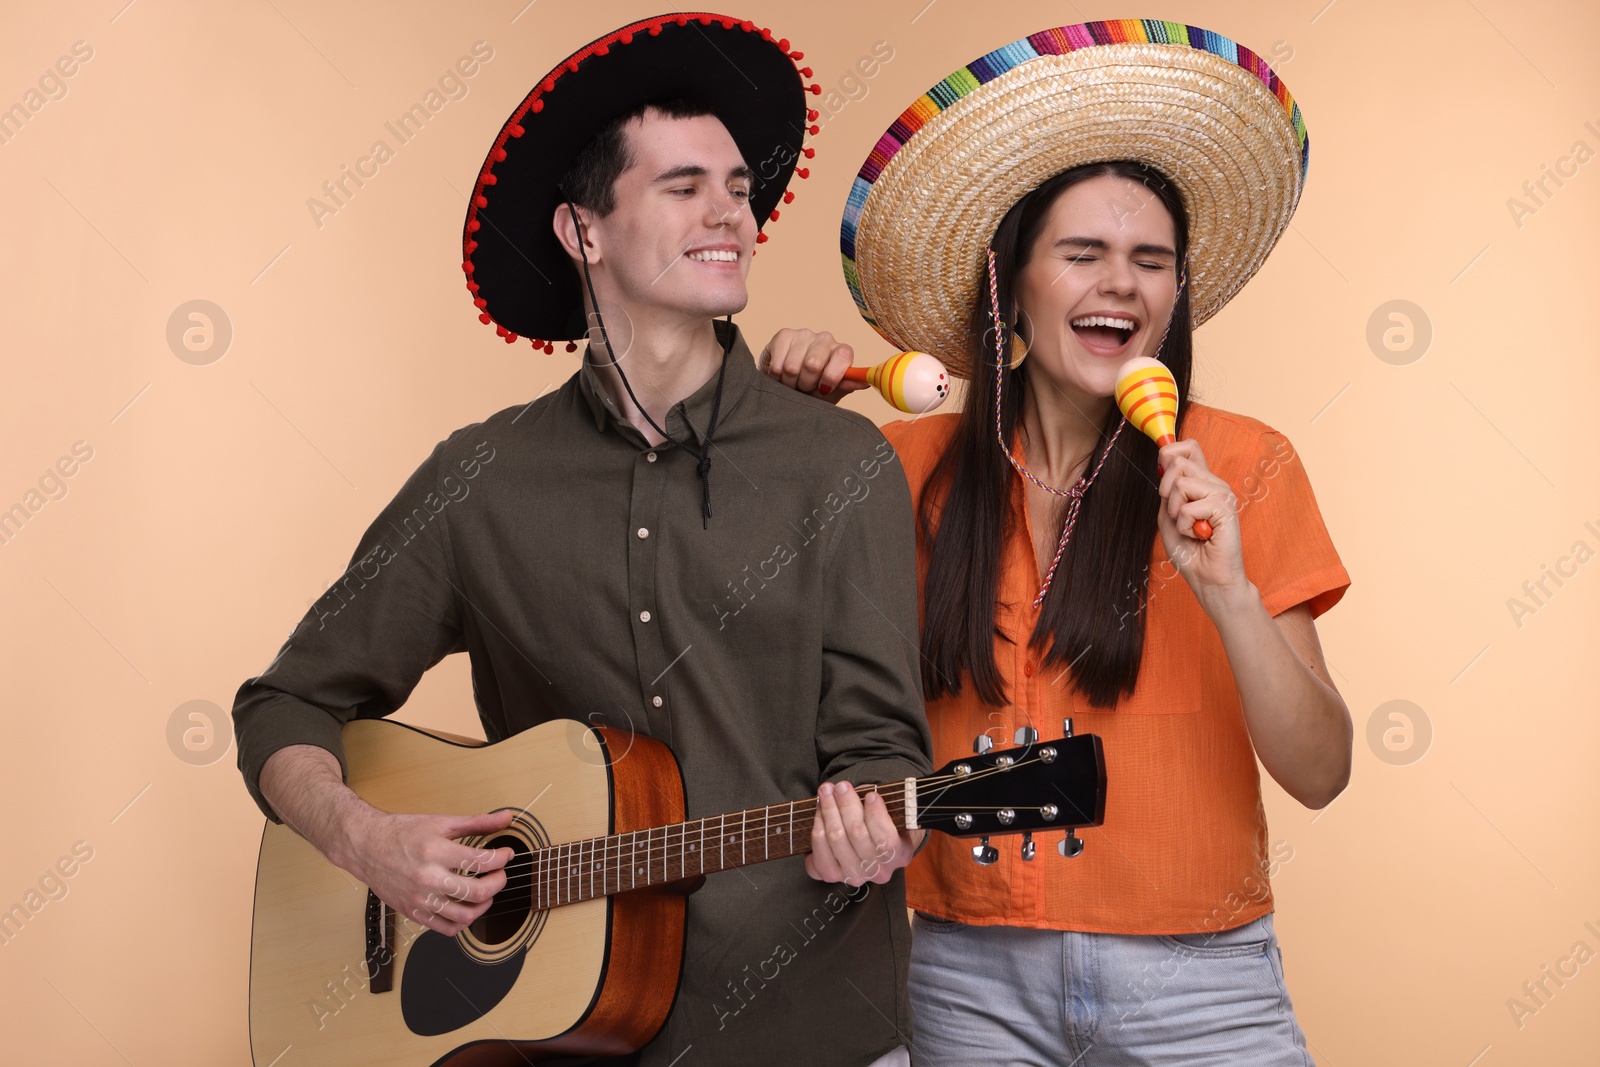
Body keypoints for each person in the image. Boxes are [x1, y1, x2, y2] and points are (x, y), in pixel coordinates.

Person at [231, 14, 929, 1067]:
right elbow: (283, 703)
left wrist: (885, 823)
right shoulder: (477, 479)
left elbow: (885, 756)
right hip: (554, 1038)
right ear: (581, 231)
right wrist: (363, 839)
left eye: (740, 187)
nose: (730, 213)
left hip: (809, 1032)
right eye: (682, 185)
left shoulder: (842, 464)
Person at [761, 19, 1351, 1065]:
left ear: (1175, 296)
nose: (1120, 285)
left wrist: (1229, 593)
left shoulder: (1247, 464)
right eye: (1082, 255)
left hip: (1202, 983)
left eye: (1151, 261)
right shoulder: (898, 470)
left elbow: (1320, 769)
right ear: (1012, 286)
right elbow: (736, 647)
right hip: (962, 977)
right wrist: (765, 424)